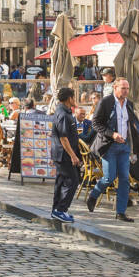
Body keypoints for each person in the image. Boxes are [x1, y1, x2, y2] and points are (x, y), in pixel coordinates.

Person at [85, 78, 139, 222]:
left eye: (127, 88)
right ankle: (94, 195)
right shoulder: (106, 102)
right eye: (123, 88)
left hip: (125, 147)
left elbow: (133, 126)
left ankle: (121, 212)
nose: (126, 91)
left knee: (125, 179)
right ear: (115, 87)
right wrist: (112, 134)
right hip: (109, 145)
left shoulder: (129, 105)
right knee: (109, 177)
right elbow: (95, 123)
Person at [50, 87, 82, 223]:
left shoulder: (63, 111)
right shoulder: (63, 114)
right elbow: (63, 138)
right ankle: (61, 209)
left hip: (62, 153)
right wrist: (73, 156)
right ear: (69, 99)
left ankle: (56, 210)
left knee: (61, 181)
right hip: (64, 155)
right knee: (73, 180)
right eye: (74, 97)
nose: (75, 100)